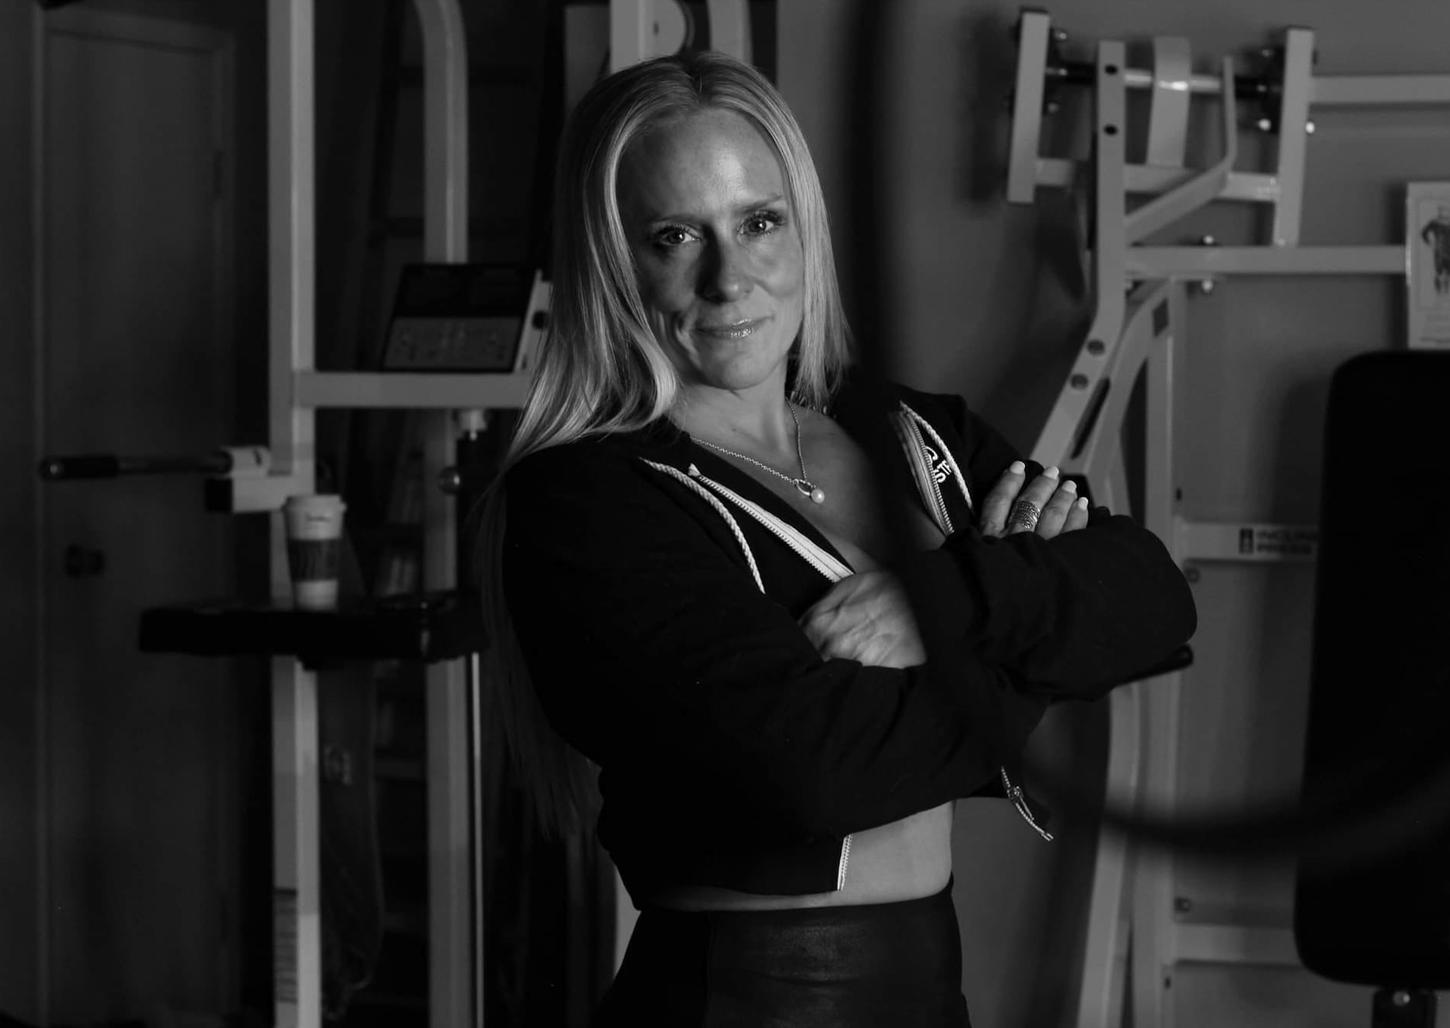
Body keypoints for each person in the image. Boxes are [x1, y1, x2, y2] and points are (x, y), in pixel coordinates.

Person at [474, 49, 1196, 1027]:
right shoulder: (586, 500)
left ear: (803, 228)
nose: (730, 279)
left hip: (929, 987)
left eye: (759, 223)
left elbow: (1151, 599)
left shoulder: (906, 429)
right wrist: (1035, 637)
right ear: (612, 261)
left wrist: (946, 601)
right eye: (674, 236)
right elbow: (815, 775)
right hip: (740, 1000)